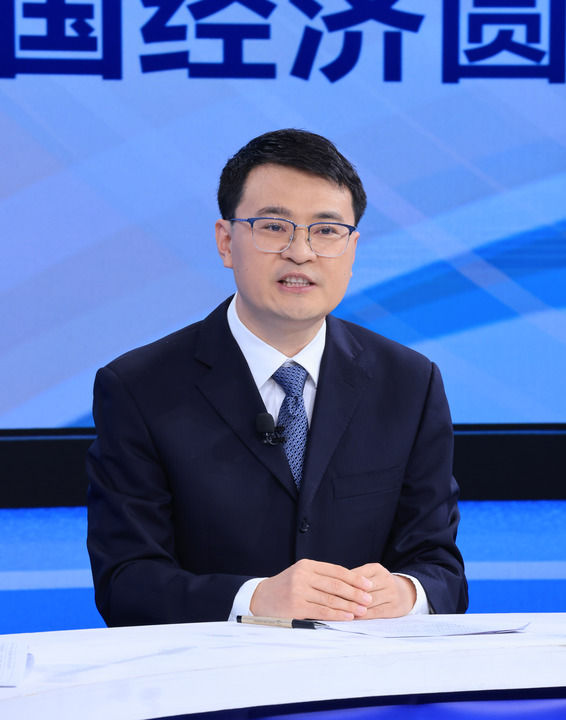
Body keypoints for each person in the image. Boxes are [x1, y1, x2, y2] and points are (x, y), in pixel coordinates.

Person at [87, 129, 468, 626]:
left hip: (362, 668)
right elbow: (126, 582)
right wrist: (254, 599)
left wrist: (406, 593)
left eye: (326, 231)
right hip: (213, 669)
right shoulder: (138, 388)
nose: (301, 252)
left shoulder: (410, 384)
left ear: (352, 248)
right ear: (226, 241)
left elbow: (441, 570)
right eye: (274, 227)